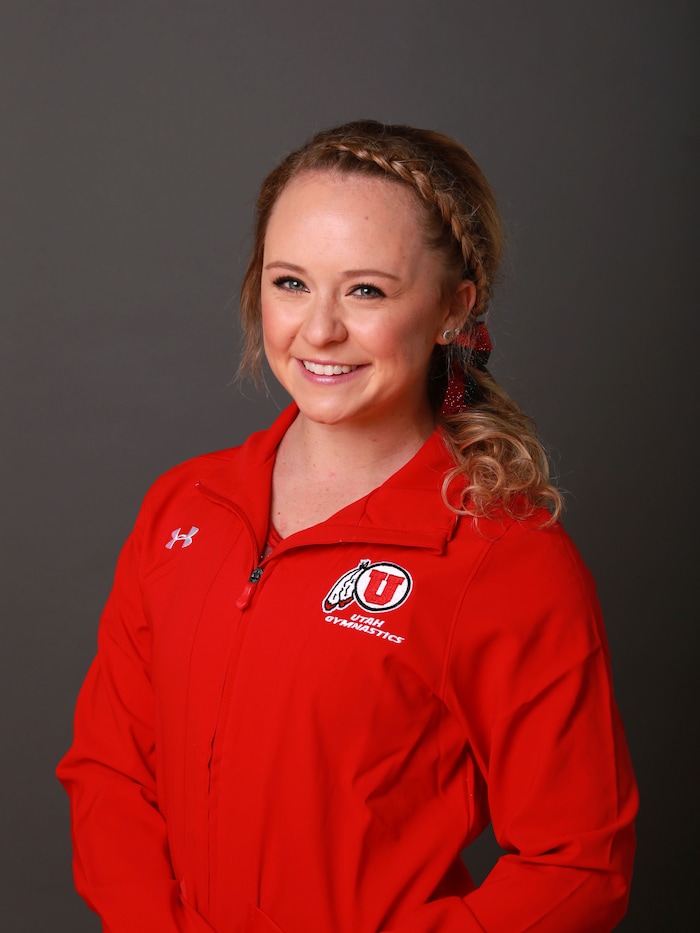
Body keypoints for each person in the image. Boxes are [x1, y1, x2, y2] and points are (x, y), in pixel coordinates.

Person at [57, 120, 638, 932]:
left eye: (366, 290)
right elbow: (111, 770)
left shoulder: (504, 555)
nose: (318, 328)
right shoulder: (184, 508)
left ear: (451, 308)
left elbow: (579, 867)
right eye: (291, 282)